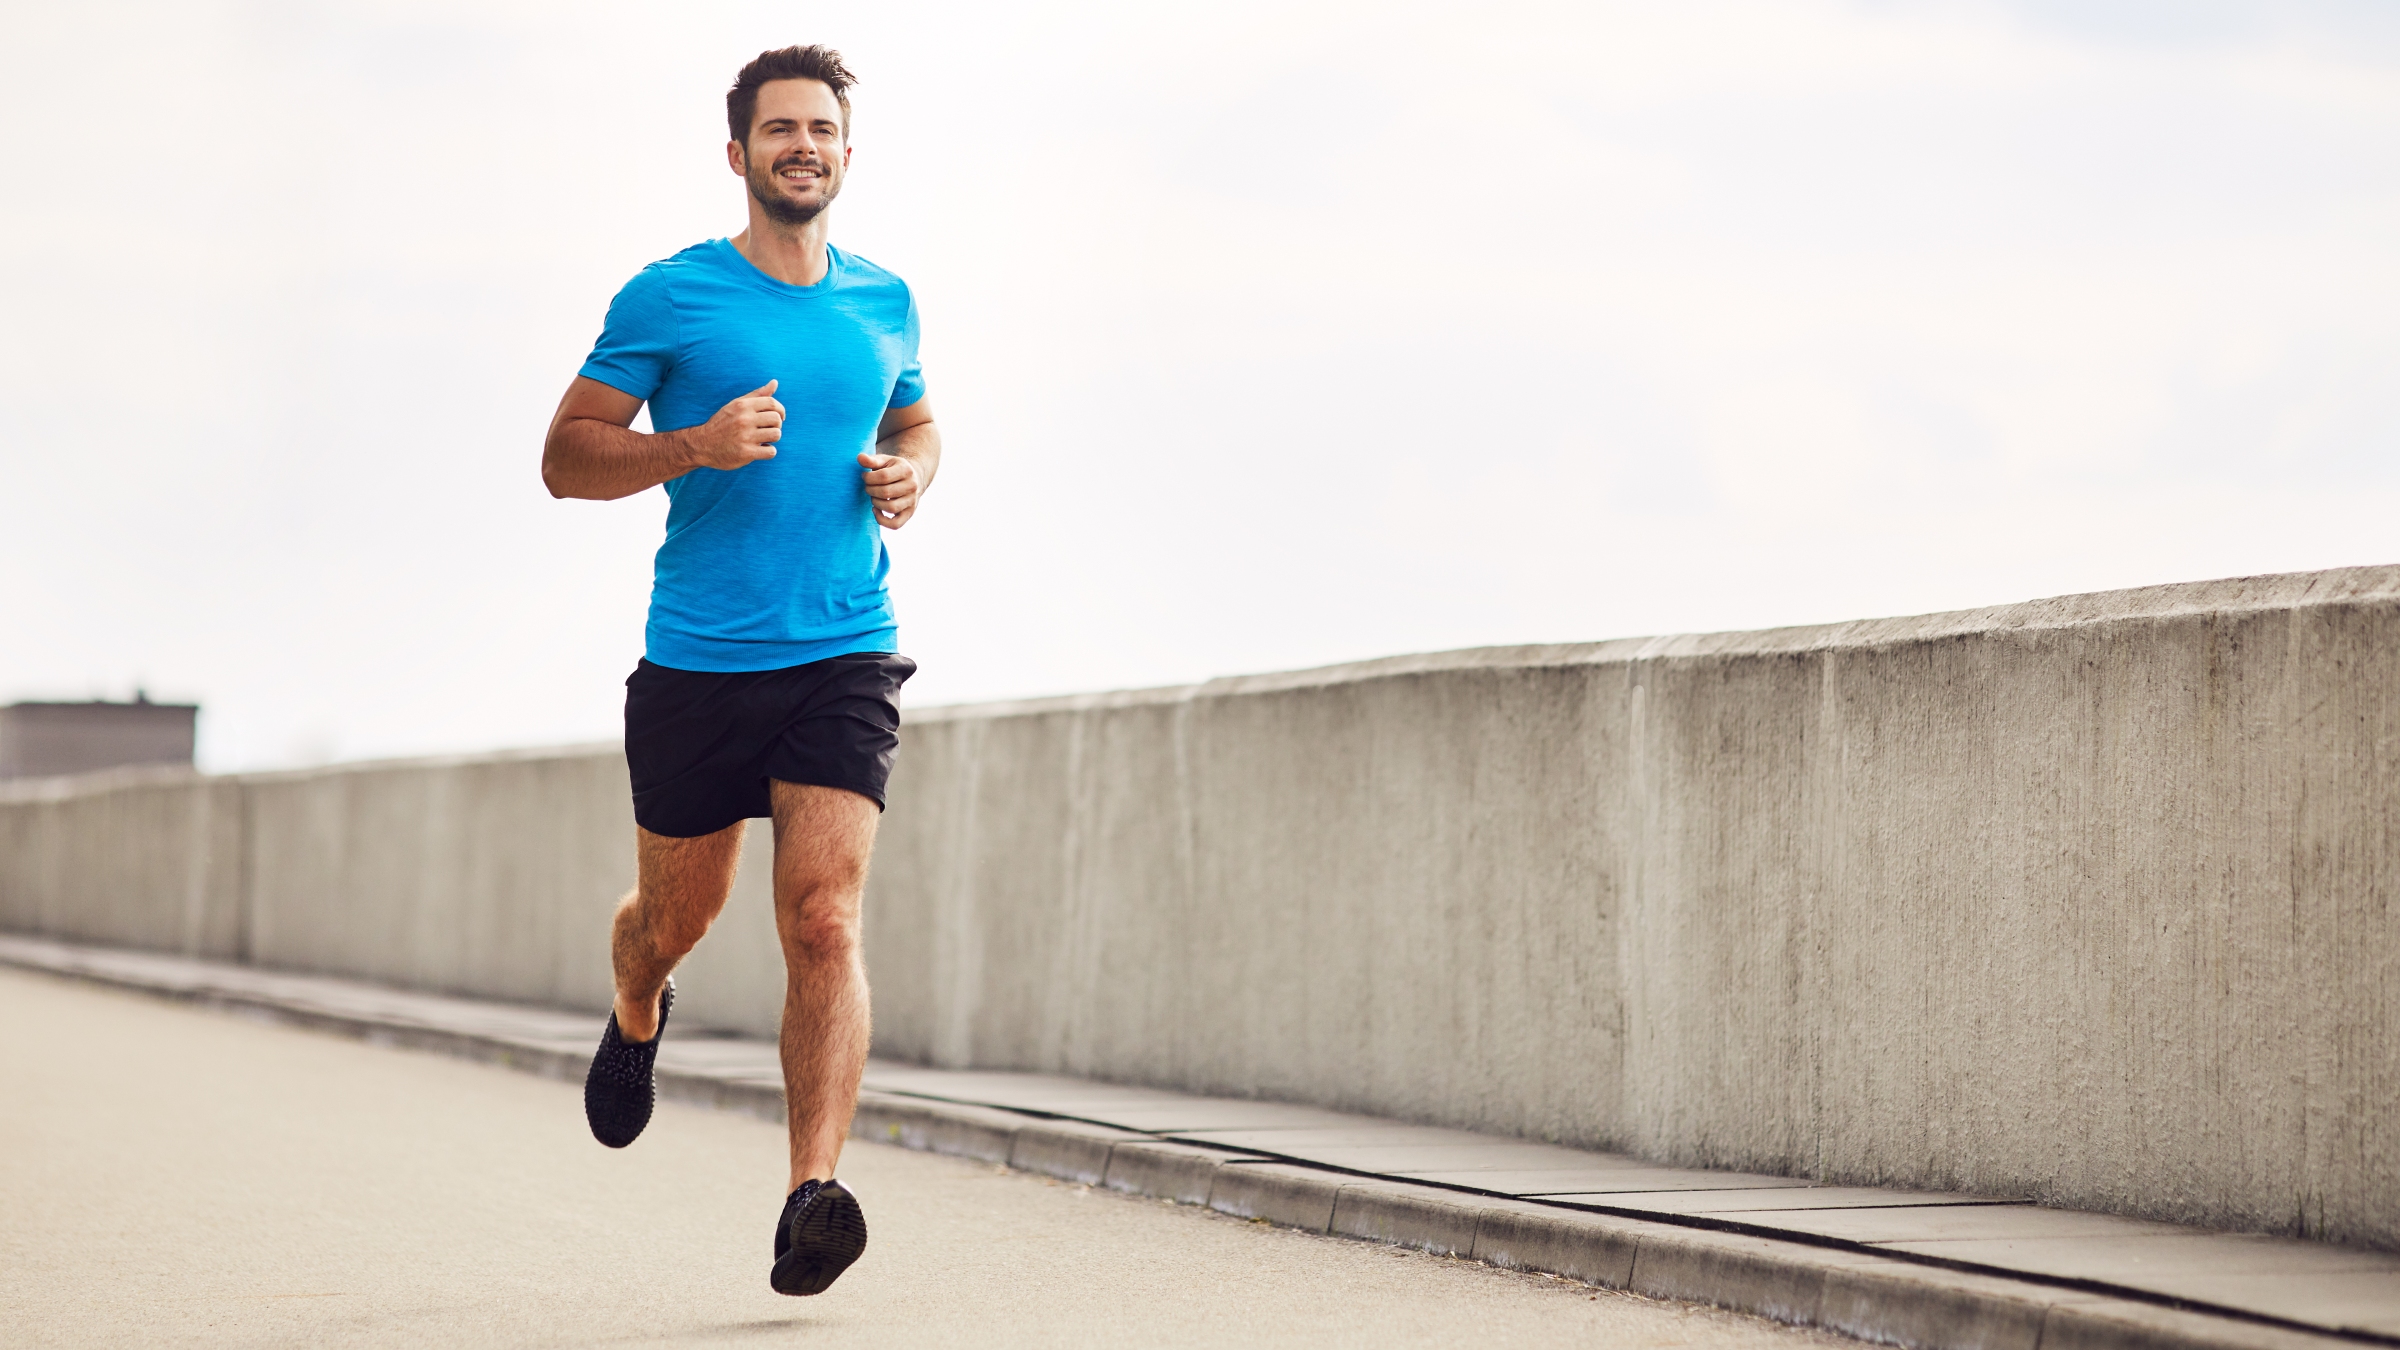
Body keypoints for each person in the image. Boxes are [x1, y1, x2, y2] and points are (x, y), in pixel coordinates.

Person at [539, 43, 938, 1298]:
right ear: (739, 154)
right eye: (779, 129)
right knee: (679, 919)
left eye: (821, 128)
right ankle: (639, 1005)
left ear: (846, 153)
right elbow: (566, 455)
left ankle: (810, 1194)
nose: (802, 146)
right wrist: (693, 446)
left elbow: (914, 418)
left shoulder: (886, 302)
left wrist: (911, 473)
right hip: (698, 666)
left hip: (844, 651)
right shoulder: (673, 299)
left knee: (822, 920)